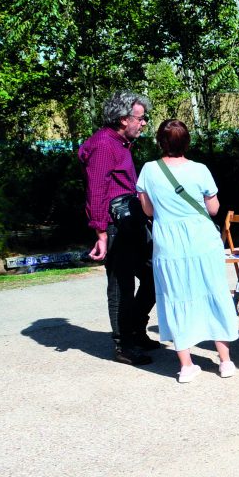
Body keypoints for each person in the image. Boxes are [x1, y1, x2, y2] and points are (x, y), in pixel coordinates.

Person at [135, 120, 239, 382]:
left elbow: (148, 210)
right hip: (203, 240)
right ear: (187, 142)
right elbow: (213, 209)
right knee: (214, 292)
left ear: (160, 141)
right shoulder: (200, 170)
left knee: (175, 297)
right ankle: (225, 361)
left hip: (169, 243)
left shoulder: (149, 170)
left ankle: (186, 365)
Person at [79, 91, 158, 366]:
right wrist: (100, 231)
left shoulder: (121, 143)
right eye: (141, 118)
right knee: (120, 285)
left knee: (154, 275)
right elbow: (96, 190)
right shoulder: (104, 144)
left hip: (132, 221)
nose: (144, 123)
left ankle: (135, 329)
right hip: (115, 226)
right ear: (124, 119)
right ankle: (124, 344)